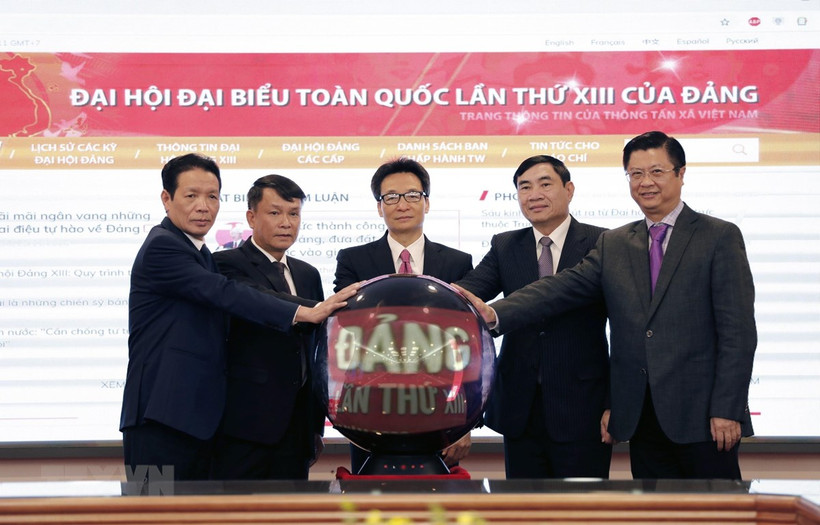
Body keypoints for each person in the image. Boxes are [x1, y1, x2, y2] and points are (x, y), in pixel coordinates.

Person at [454, 131, 756, 480]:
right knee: (655, 517)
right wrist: (495, 313)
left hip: (704, 417)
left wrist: (727, 408)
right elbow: (560, 287)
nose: (646, 182)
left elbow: (738, 333)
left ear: (680, 173)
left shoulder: (718, 236)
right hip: (642, 418)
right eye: (636, 174)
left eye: (656, 172)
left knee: (716, 516)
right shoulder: (616, 243)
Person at [120, 154, 357, 482]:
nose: (203, 206)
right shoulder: (164, 247)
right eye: (191, 196)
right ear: (166, 198)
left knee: (198, 520)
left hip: (192, 421)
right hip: (158, 420)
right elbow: (225, 292)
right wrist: (305, 311)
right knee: (153, 513)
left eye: (212, 196)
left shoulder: (199, 252)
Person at [456, 155, 611, 479]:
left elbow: (625, 329)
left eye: (545, 184)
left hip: (583, 406)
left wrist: (616, 404)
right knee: (523, 509)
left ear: (569, 190)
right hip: (520, 408)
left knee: (581, 511)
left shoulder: (603, 243)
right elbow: (467, 294)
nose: (534, 194)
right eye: (524, 187)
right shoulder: (505, 245)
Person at [334, 157, 474, 473]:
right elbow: (346, 331)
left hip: (441, 409)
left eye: (412, 195)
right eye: (391, 197)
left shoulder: (457, 262)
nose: (402, 204)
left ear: (426, 203)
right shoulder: (353, 260)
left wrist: (466, 422)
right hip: (369, 409)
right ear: (379, 207)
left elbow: (467, 345)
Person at [210, 175, 325, 480]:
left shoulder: (308, 273)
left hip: (297, 430)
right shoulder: (224, 264)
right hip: (243, 429)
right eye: (275, 213)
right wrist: (312, 310)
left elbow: (315, 353)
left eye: (294, 213)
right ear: (251, 217)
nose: (286, 223)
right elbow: (261, 300)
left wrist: (315, 426)